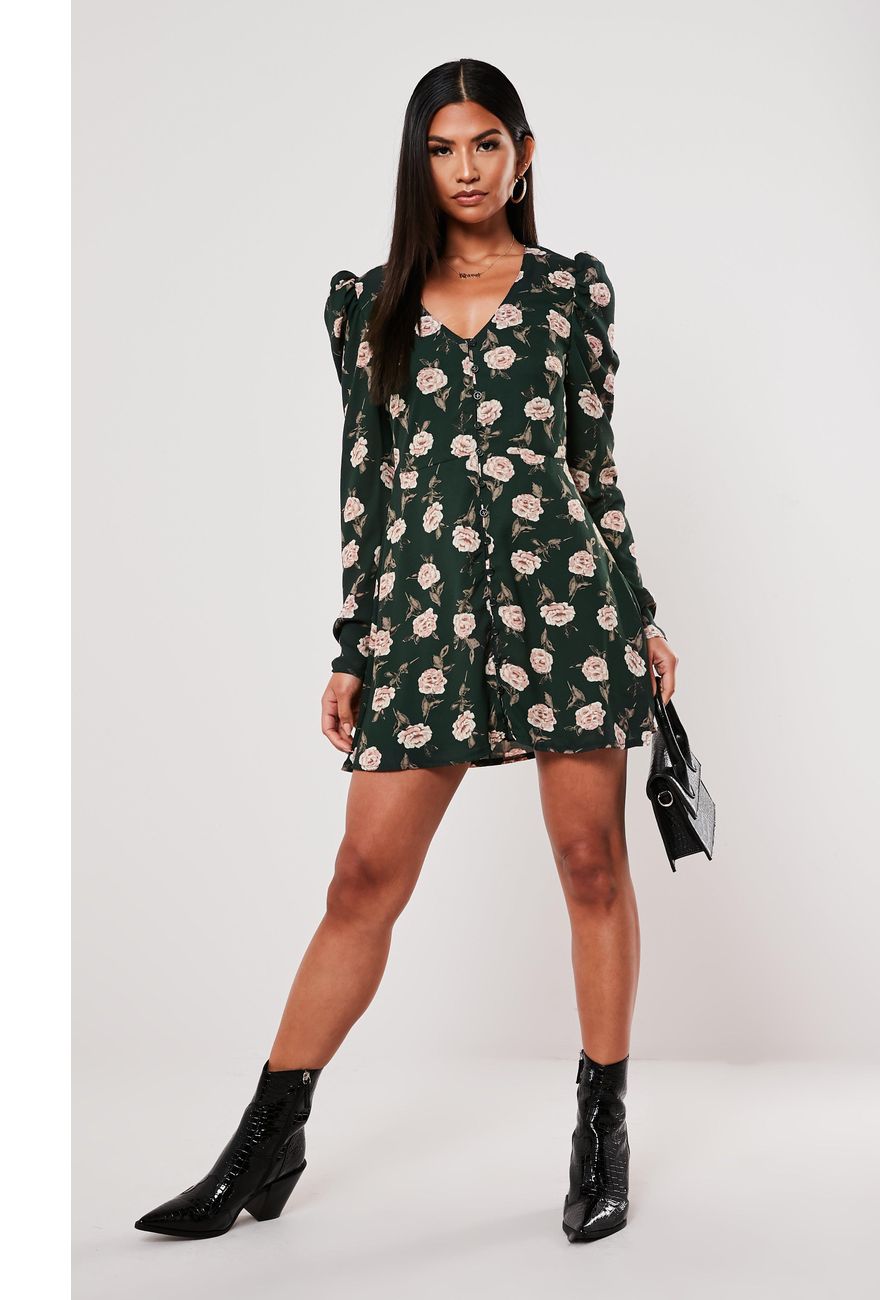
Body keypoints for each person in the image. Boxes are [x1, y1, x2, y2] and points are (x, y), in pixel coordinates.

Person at [135, 57, 677, 1246]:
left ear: (523, 154)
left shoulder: (569, 293)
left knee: (591, 865)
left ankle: (600, 1131)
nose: (465, 168)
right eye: (442, 148)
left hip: (565, 610)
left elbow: (593, 471)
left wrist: (638, 616)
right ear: (416, 161)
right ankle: (265, 1139)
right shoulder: (369, 303)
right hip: (421, 624)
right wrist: (353, 646)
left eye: (486, 143)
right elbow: (367, 487)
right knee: (360, 881)